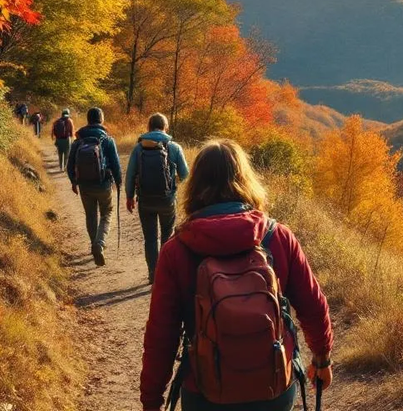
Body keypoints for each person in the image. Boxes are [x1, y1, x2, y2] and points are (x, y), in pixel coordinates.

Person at [139, 139, 333, 411]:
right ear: (246, 180)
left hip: (205, 392)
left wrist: (151, 399)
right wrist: (322, 359)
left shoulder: (177, 249)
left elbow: (161, 335)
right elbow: (313, 305)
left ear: (195, 186)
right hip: (273, 385)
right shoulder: (277, 236)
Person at [125, 113, 189, 285]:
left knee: (150, 238)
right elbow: (185, 174)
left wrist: (130, 197)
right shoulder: (174, 147)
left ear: (148, 127)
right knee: (167, 237)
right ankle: (165, 274)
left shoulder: (139, 148)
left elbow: (130, 175)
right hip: (167, 200)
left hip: (145, 200)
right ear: (165, 127)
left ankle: (153, 273)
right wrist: (174, 183)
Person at [67, 108, 122, 267]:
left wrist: (74, 182)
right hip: (104, 184)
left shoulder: (78, 140)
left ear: (88, 120)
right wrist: (119, 182)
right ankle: (100, 243)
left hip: (85, 185)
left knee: (90, 215)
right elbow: (116, 164)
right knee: (107, 212)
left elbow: (70, 165)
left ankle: (94, 244)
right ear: (101, 120)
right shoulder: (107, 140)